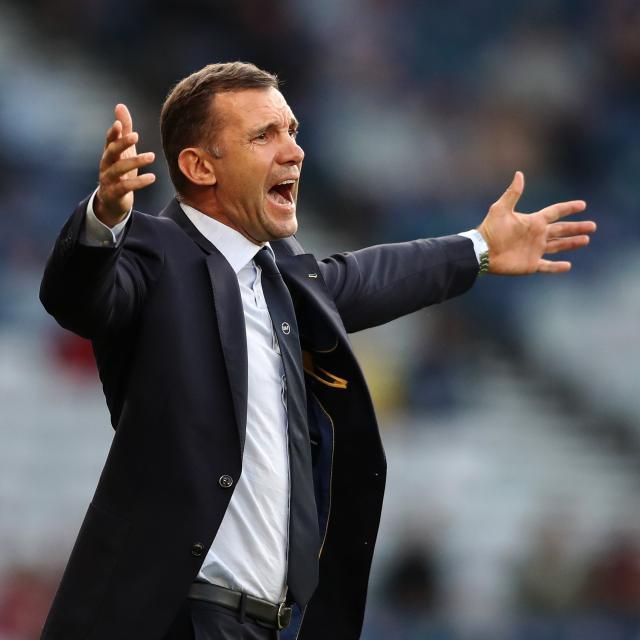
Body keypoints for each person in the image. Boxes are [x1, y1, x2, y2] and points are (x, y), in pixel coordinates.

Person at [39, 62, 596, 640]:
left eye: (292, 131)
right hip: (175, 620)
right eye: (264, 136)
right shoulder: (155, 253)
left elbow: (371, 277)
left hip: (271, 626)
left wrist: (478, 248)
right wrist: (105, 218)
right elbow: (79, 297)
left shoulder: (282, 281)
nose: (294, 151)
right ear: (200, 166)